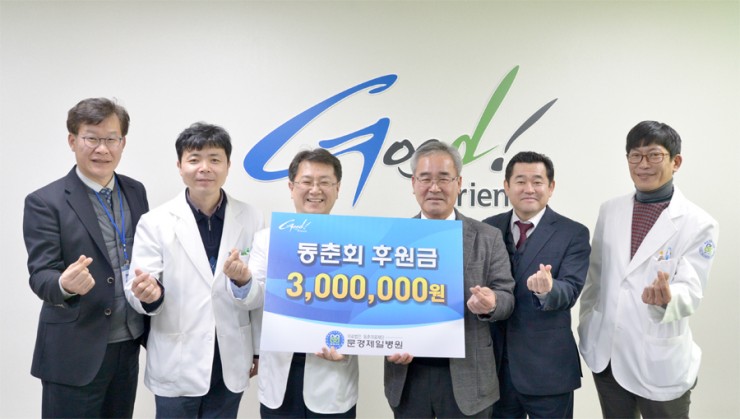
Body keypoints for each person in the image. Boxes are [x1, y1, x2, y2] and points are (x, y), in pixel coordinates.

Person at [578, 121, 719, 418]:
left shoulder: (699, 223)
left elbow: (692, 290)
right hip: (607, 354)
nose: (643, 164)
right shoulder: (610, 210)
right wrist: (588, 325)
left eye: (654, 155)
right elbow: (596, 278)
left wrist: (668, 298)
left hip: (658, 359)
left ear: (675, 162)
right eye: (635, 155)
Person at [124, 122, 263, 418]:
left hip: (230, 357)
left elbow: (261, 293)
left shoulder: (251, 216)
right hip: (177, 359)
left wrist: (257, 348)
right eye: (194, 159)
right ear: (179, 166)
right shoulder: (155, 222)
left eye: (215, 159)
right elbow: (138, 290)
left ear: (228, 165)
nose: (205, 168)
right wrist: (150, 294)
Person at [22, 98, 148, 418]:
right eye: (91, 138)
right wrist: (64, 284)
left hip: (128, 344)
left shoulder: (136, 191)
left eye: (111, 139)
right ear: (72, 140)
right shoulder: (45, 201)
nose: (102, 149)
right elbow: (40, 275)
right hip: (74, 351)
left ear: (122, 143)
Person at [384, 140, 516, 418]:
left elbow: (507, 297)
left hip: (468, 378)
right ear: (413, 183)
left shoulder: (487, 237)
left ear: (459, 183)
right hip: (408, 376)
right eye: (425, 178)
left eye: (444, 178)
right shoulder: (391, 238)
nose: (434, 187)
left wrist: (491, 303)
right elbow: (376, 302)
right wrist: (388, 341)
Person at [251, 148, 359, 418]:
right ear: (291, 187)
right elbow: (254, 297)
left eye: (325, 182)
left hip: (333, 374)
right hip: (280, 377)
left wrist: (351, 345)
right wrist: (242, 281)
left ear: (337, 188)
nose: (315, 190)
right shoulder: (266, 239)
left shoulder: (357, 243)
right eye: (307, 181)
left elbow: (367, 306)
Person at [482, 151, 590, 418]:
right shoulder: (488, 229)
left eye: (537, 181)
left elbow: (571, 290)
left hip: (548, 370)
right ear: (506, 186)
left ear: (551, 187)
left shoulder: (573, 233)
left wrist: (548, 290)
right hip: (495, 368)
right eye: (520, 181)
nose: (529, 189)